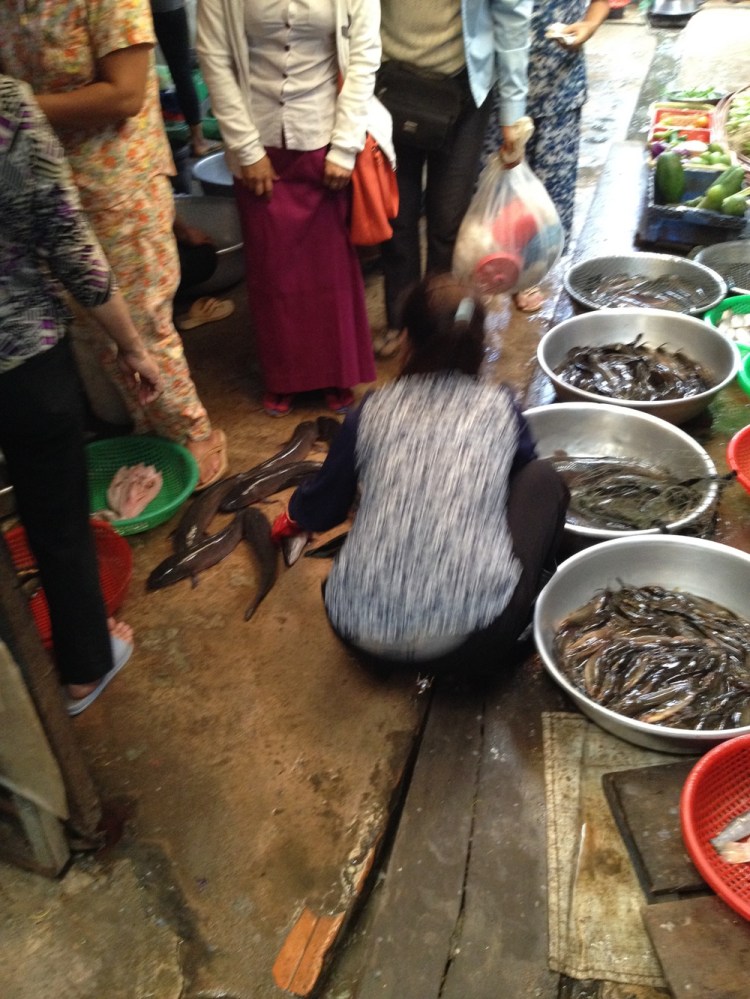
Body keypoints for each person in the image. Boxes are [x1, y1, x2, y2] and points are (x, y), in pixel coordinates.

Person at [271, 273, 569, 675]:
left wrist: (295, 516)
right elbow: (521, 478)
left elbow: (324, 506)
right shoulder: (500, 407)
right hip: (476, 643)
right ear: (481, 343)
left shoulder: (371, 411)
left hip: (358, 632)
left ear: (407, 340)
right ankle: (526, 602)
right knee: (543, 479)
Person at [0, 0, 228, 490]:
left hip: (117, 181)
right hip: (45, 184)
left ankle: (193, 434)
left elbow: (125, 95)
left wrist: (15, 110)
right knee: (94, 330)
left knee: (141, 325)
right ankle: (150, 429)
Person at [0, 75, 163, 715]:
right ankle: (84, 668)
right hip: (20, 359)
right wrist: (131, 343)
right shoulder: (8, 105)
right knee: (56, 520)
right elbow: (68, 242)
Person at [196, 0, 378, 418]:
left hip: (323, 137)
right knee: (272, 272)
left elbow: (365, 55)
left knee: (327, 271)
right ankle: (285, 377)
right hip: (257, 141)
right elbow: (214, 59)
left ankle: (335, 372)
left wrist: (346, 145)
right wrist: (245, 147)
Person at [372, 0, 533, 359]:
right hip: (389, 82)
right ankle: (402, 320)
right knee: (396, 213)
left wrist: (512, 111)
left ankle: (437, 321)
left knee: (448, 219)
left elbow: (512, 16)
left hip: (463, 88)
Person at [482, 0, 611, 313]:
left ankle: (528, 274)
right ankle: (492, 267)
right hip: (497, 84)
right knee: (495, 189)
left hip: (559, 85)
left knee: (547, 191)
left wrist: (589, 25)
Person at [150, 0, 220, 158]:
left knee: (145, 75)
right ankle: (198, 141)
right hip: (166, 7)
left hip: (133, 12)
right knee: (181, 70)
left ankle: (154, 144)